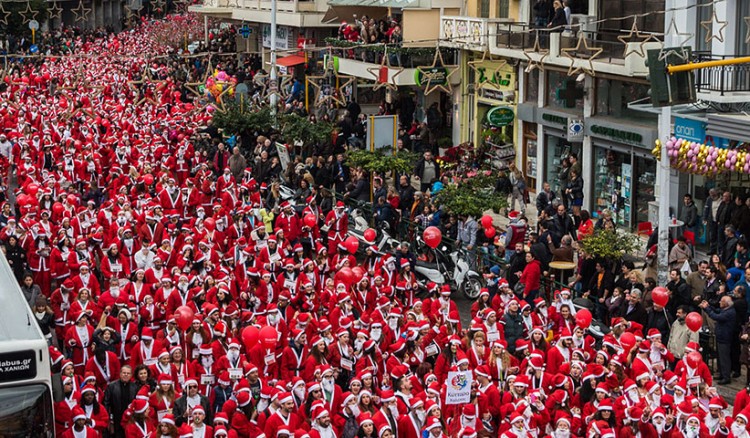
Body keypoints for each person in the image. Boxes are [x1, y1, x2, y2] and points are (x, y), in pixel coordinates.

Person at [701, 295, 737, 384]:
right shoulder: (726, 309)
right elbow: (717, 311)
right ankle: (722, 374)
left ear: (726, 303)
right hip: (721, 336)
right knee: (720, 357)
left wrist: (707, 309)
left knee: (724, 358)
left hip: (725, 337)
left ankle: (726, 377)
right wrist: (708, 306)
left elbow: (717, 317)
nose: (719, 302)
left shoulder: (729, 313)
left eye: (721, 301)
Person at [103, 366, 138, 438]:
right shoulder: (111, 386)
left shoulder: (135, 387)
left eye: (128, 373)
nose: (126, 375)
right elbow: (106, 403)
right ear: (120, 374)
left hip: (130, 419)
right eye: (124, 373)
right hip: (116, 419)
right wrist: (109, 419)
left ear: (131, 375)